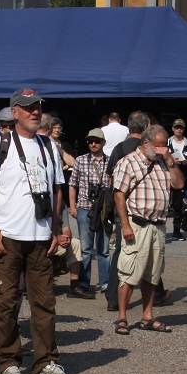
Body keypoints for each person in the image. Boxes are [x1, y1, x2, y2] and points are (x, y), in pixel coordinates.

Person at [0, 88, 72, 374]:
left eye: (38, 107)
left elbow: (57, 190)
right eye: (28, 107)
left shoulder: (49, 146)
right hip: (7, 236)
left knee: (45, 304)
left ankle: (45, 362)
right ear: (15, 112)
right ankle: (8, 361)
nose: (35, 112)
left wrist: (55, 228)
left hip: (41, 238)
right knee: (6, 302)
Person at [112, 124, 183, 334]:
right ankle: (122, 317)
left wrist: (169, 159)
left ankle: (147, 316)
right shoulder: (128, 162)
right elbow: (119, 195)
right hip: (137, 224)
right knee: (129, 271)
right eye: (158, 146)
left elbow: (179, 184)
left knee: (153, 273)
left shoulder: (163, 163)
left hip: (158, 226)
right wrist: (125, 225)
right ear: (145, 143)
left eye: (164, 145)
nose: (162, 149)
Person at [104, 111, 151, 311]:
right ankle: (155, 293)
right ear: (146, 127)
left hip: (121, 205)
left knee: (121, 250)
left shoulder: (119, 148)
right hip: (142, 207)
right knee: (149, 251)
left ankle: (113, 297)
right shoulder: (148, 149)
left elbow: (110, 179)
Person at [68, 128, 111, 299]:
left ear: (103, 143)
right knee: (86, 249)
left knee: (104, 250)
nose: (93, 144)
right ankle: (84, 283)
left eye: (97, 141)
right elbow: (73, 184)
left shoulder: (110, 162)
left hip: (104, 210)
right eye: (90, 141)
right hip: (85, 207)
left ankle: (105, 283)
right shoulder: (80, 160)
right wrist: (73, 206)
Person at [167, 118, 187, 240]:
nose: (178, 129)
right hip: (168, 177)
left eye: (181, 127)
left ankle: (178, 230)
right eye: (177, 127)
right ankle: (164, 230)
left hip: (183, 176)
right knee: (168, 204)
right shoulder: (167, 142)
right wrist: (171, 161)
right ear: (173, 129)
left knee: (180, 205)